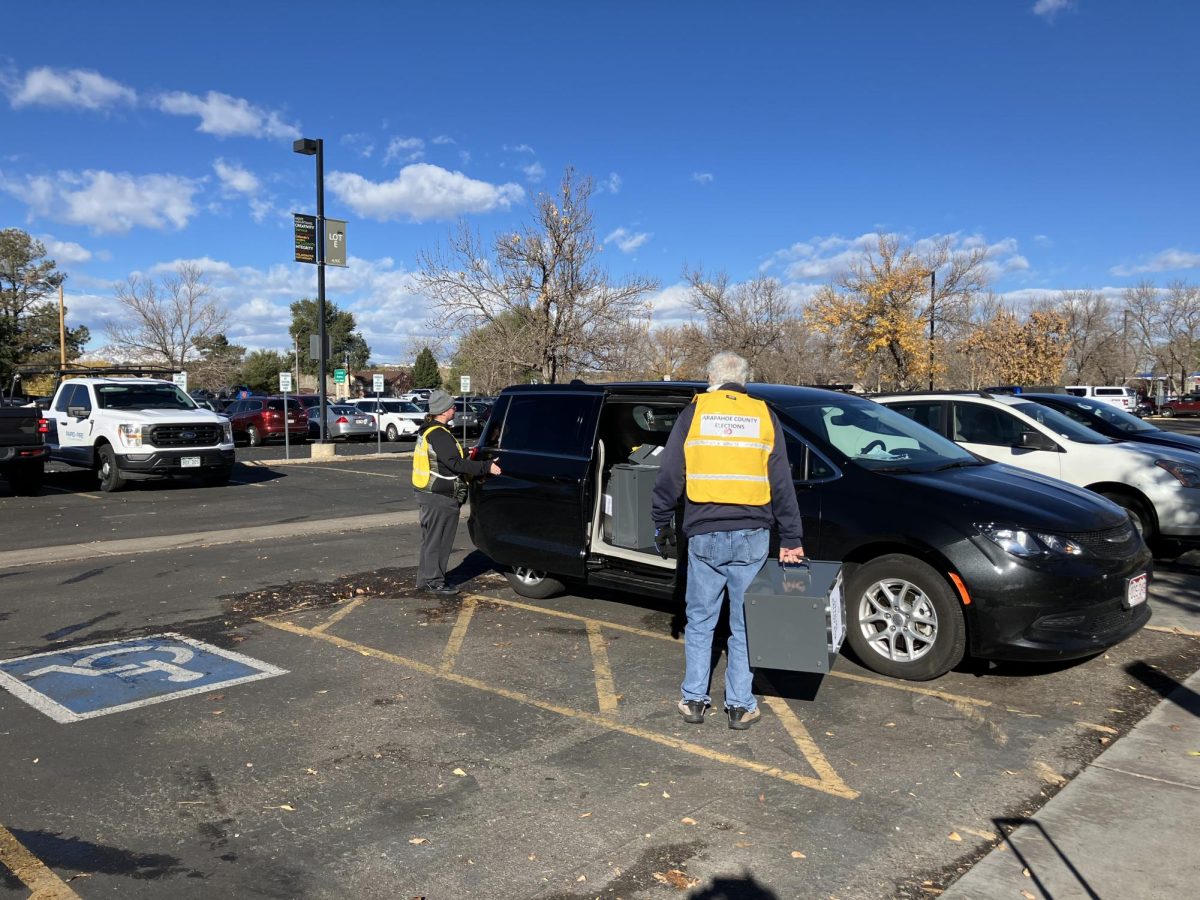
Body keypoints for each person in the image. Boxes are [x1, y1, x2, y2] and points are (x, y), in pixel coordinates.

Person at [651, 352, 805, 730]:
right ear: (745, 381)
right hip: (753, 534)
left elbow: (670, 472)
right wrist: (792, 537)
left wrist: (661, 521)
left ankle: (693, 700)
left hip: (704, 532)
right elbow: (781, 482)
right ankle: (740, 705)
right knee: (745, 623)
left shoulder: (694, 413)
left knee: (700, 620)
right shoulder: (763, 415)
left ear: (711, 379)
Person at [411, 389, 501, 596]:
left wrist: (469, 452)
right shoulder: (439, 434)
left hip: (429, 493)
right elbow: (455, 464)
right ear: (443, 411)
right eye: (452, 406)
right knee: (440, 541)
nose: (455, 409)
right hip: (440, 496)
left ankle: (425, 580)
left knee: (431, 540)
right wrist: (486, 467)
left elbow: (448, 456)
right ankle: (435, 582)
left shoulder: (429, 430)